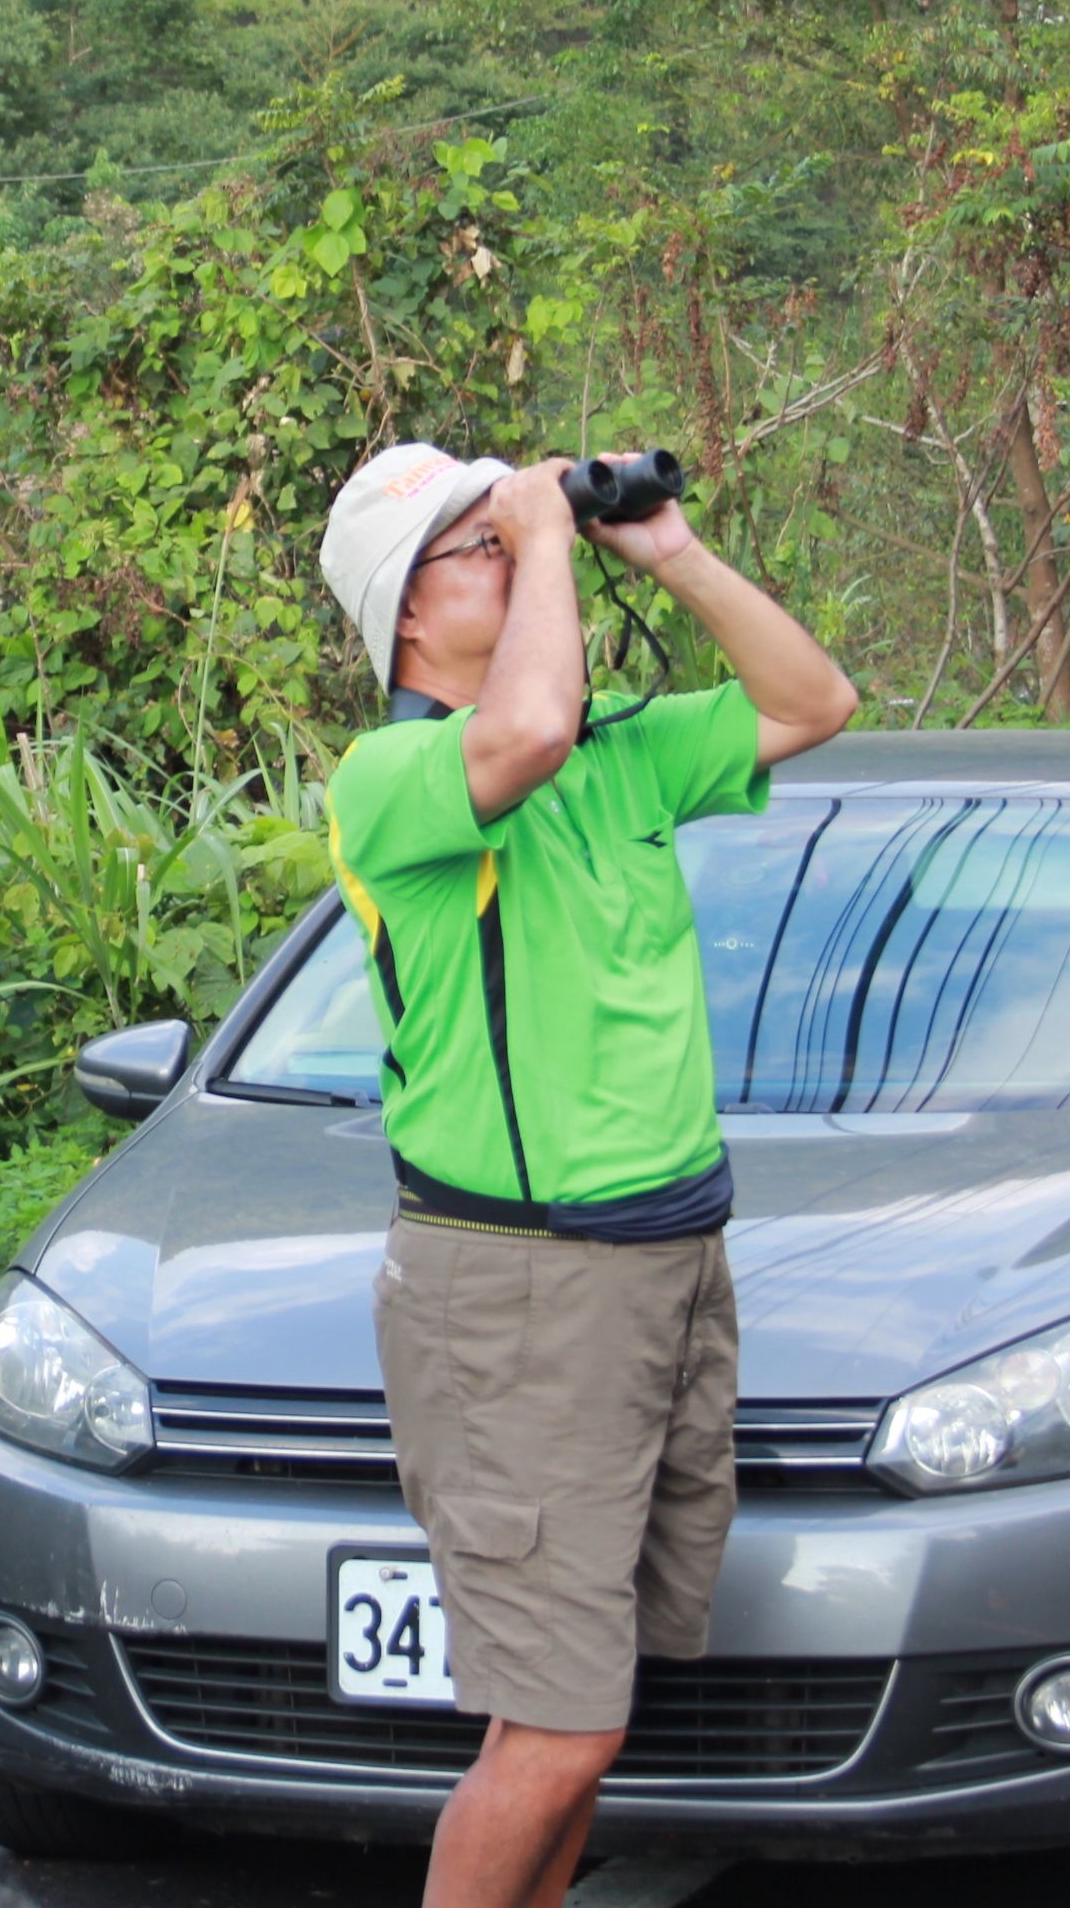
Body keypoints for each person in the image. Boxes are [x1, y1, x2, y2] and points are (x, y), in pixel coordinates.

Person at [315, 445, 856, 1908]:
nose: (510, 549)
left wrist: (667, 549)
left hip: (671, 1261)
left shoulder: (613, 750)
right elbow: (528, 727)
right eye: (474, 546)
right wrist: (550, 530)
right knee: (556, 1728)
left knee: (579, 1716)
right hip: (522, 1285)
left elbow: (815, 702)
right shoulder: (399, 778)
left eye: (506, 534)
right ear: (409, 618)